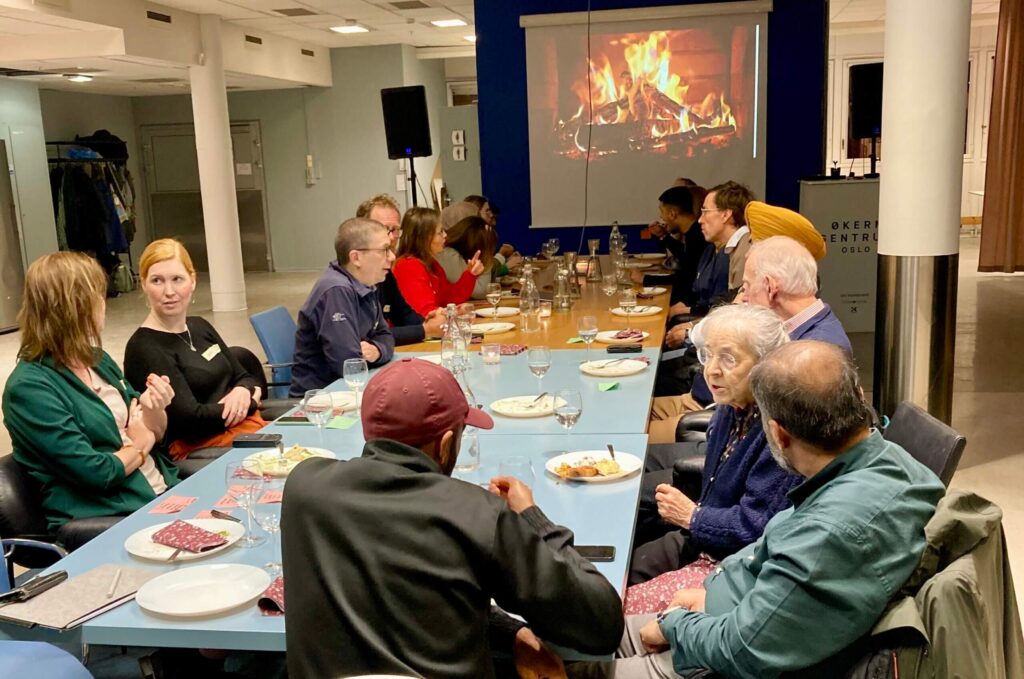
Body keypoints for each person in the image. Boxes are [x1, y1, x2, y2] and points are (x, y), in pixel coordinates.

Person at [568, 341, 945, 679]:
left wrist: (674, 626)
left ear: (778, 434)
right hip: (719, 614)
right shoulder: (894, 463)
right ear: (857, 398)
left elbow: (743, 650)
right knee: (574, 635)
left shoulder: (828, 535)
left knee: (564, 664)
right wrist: (707, 599)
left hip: (717, 654)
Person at [283, 358, 624, 678]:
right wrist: (533, 519)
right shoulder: (479, 515)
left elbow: (411, 595)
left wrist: (510, 631)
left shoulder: (302, 487)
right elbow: (602, 626)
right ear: (446, 444)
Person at [630, 305, 801, 598]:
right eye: (707, 355)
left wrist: (691, 516)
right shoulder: (730, 405)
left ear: (766, 363)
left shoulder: (779, 432)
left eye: (728, 359)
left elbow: (754, 529)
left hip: (732, 565)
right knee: (617, 571)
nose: (712, 370)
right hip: (703, 534)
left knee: (620, 596)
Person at [3, 252, 178, 531]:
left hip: (163, 490)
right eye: (97, 296)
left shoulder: (97, 360)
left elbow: (154, 431)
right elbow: (98, 472)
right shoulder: (29, 389)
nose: (103, 303)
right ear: (74, 307)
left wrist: (154, 410)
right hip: (115, 515)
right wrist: (139, 444)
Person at [649, 236, 851, 441]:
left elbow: (771, 434)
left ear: (770, 287)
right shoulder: (808, 328)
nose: (743, 297)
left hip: (721, 425)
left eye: (745, 287)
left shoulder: (815, 353)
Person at [123, 239, 265, 463]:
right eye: (157, 281)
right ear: (144, 285)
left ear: (193, 281)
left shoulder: (199, 326)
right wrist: (251, 402)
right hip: (199, 450)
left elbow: (244, 376)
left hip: (243, 431)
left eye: (177, 279)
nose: (169, 291)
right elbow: (190, 419)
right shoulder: (144, 347)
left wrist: (242, 391)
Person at [290, 218, 395, 396]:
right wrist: (378, 350)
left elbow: (386, 335)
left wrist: (378, 350)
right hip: (322, 398)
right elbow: (350, 365)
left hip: (347, 391)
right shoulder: (336, 291)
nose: (392, 257)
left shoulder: (365, 284)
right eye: (384, 250)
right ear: (356, 258)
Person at [355, 194, 445, 345]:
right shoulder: (344, 283)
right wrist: (425, 330)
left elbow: (404, 314)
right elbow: (366, 337)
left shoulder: (384, 273)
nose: (391, 237)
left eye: (395, 230)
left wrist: (429, 321)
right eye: (384, 228)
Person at [668, 181, 754, 320]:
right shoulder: (720, 248)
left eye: (705, 212)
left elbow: (739, 312)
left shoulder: (746, 249)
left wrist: (691, 327)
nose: (700, 220)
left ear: (725, 215)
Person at [392, 206, 484, 317]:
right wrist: (456, 311)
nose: (445, 235)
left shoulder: (431, 263)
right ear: (425, 238)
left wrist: (470, 274)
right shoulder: (408, 266)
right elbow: (425, 313)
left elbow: (449, 298)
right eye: (440, 232)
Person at [644, 186, 707, 307]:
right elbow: (685, 257)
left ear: (672, 214)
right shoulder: (693, 233)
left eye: (662, 212)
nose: (661, 218)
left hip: (690, 304)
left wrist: (646, 279)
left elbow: (686, 278)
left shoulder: (698, 236)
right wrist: (664, 236)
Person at [436, 215, 498, 299]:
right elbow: (480, 292)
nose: (445, 235)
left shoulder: (452, 254)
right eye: (440, 232)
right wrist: (487, 257)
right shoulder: (448, 255)